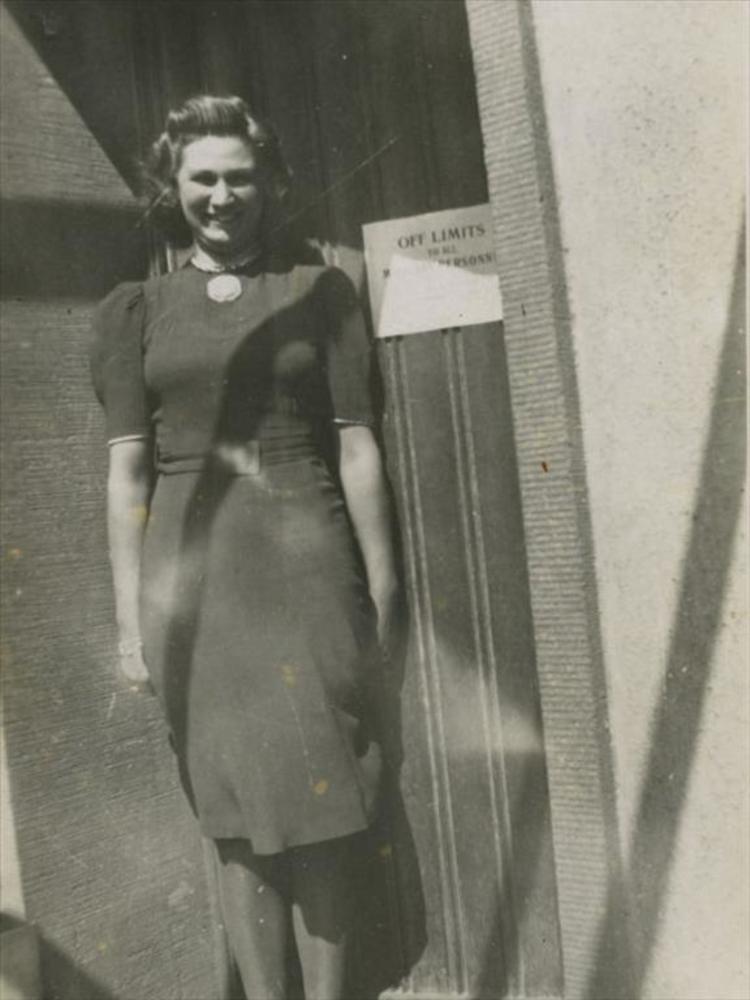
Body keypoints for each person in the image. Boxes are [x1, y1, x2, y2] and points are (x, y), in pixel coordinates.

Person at [90, 95, 399, 999]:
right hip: (196, 583)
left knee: (325, 793)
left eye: (240, 178)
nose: (222, 196)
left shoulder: (317, 291)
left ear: (270, 184)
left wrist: (383, 595)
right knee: (232, 809)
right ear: (172, 187)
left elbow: (358, 449)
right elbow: (127, 477)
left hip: (306, 565)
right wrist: (130, 623)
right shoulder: (138, 312)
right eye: (203, 179)